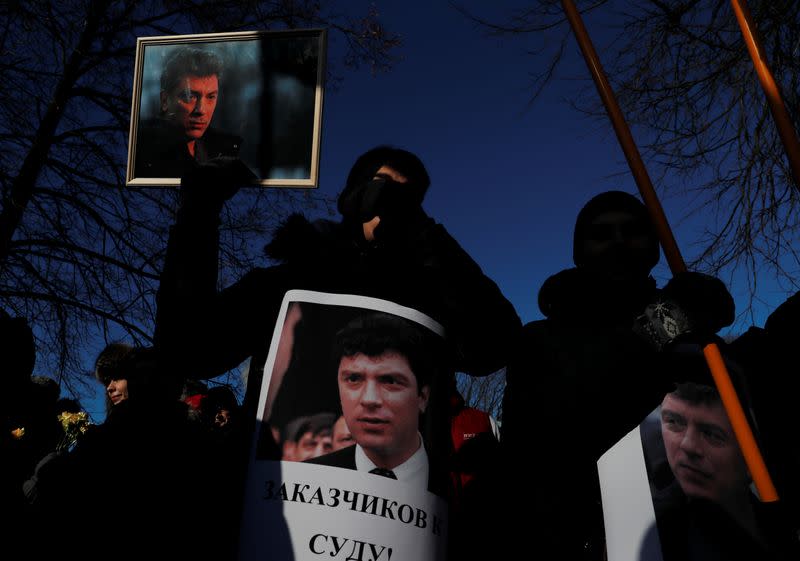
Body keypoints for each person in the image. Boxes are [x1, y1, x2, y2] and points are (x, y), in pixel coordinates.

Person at [154, 144, 521, 555]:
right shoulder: (291, 282)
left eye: (408, 198)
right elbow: (189, 346)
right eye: (381, 189)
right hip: (276, 531)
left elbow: (497, 343)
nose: (392, 204)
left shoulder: (433, 298)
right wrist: (199, 211)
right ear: (352, 197)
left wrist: (428, 235)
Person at [496, 190, 736, 561]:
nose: (619, 242)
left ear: (655, 247)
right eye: (601, 234)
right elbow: (570, 405)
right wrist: (666, 320)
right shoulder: (540, 340)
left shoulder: (693, 332)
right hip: (580, 537)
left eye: (633, 230)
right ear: (579, 251)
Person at [307, 313, 439, 493]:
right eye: (354, 379)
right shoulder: (311, 475)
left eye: (390, 381)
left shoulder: (457, 485)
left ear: (423, 397)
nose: (369, 399)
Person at [134, 47, 242, 178]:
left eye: (211, 97)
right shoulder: (141, 154)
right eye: (189, 96)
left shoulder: (227, 151)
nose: (201, 110)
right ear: (164, 101)